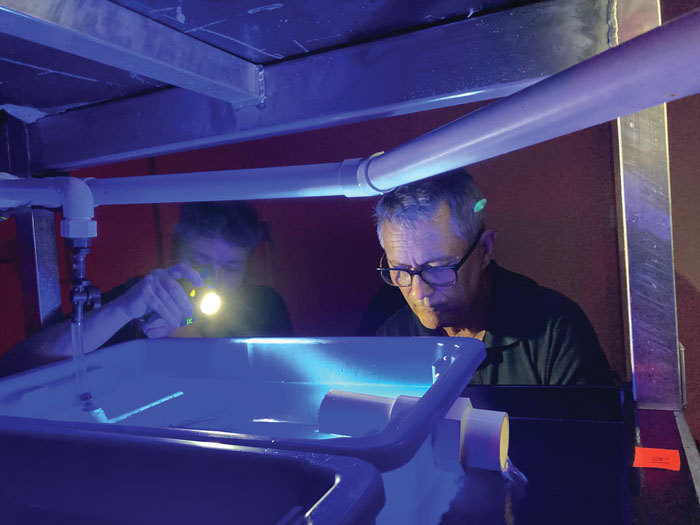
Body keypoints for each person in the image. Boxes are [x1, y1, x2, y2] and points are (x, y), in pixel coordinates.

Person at [373, 169, 613, 385]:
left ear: (484, 249)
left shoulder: (555, 332)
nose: (418, 292)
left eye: (436, 268)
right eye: (400, 270)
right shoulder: (393, 338)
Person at [0, 201, 292, 376]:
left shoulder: (265, 307)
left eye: (230, 268)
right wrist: (122, 310)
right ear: (175, 254)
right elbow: (20, 365)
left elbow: (285, 387)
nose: (211, 281)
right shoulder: (143, 298)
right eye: (200, 264)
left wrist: (182, 341)